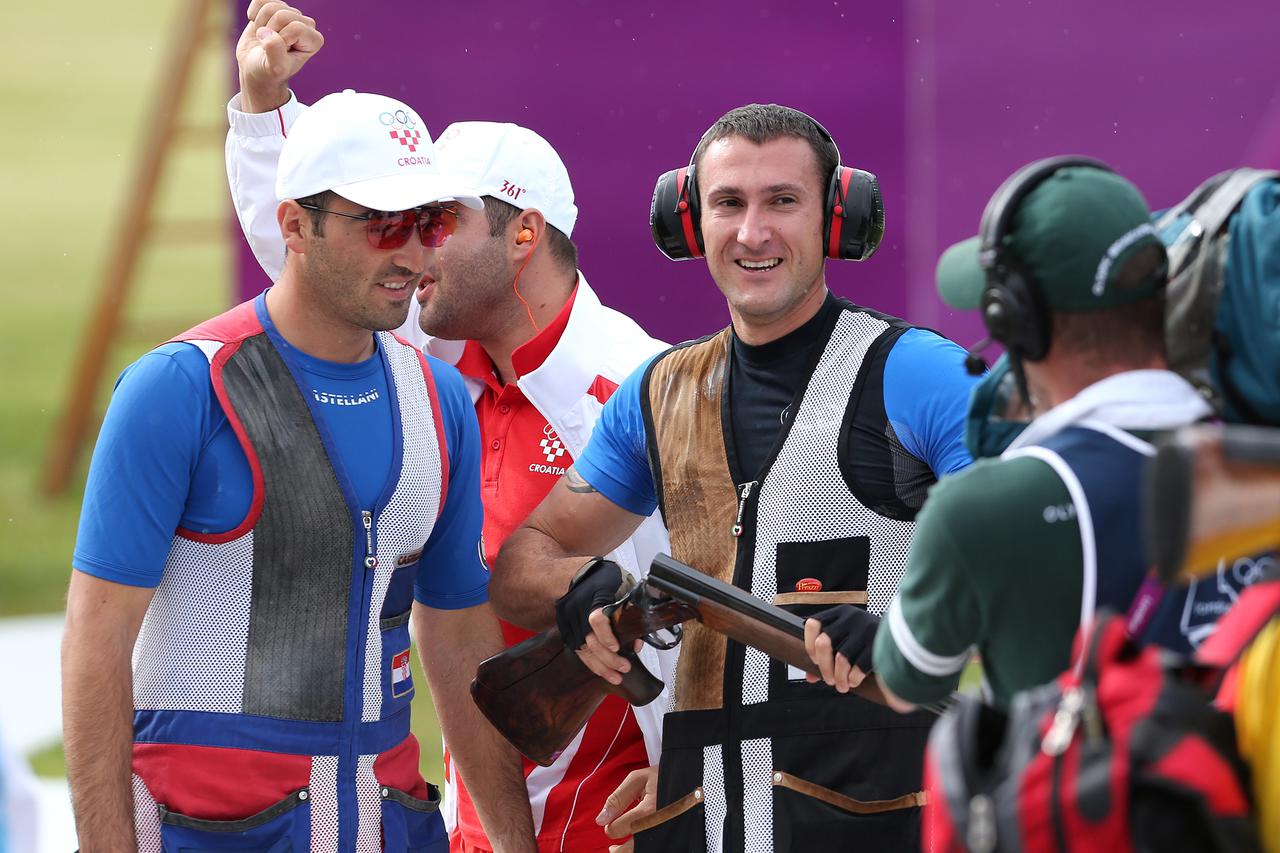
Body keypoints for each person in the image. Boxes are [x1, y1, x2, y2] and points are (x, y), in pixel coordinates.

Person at [226, 5, 671, 850]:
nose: (413, 250)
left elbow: (704, 604)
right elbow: (310, 260)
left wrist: (689, 767)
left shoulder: (638, 386)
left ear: (524, 236)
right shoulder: (432, 357)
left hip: (620, 828)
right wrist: (264, 108)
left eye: (437, 222)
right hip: (475, 823)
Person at [495, 104, 979, 852]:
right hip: (706, 820)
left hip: (885, 820)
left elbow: (1030, 546)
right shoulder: (657, 393)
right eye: (729, 203)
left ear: (836, 217)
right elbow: (527, 559)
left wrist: (907, 635)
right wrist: (586, 592)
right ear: (688, 222)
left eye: (782, 201)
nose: (753, 233)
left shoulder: (916, 371)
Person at [62, 87, 536, 851]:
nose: (411, 253)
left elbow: (457, 639)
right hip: (206, 831)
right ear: (294, 225)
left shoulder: (441, 398)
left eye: (429, 222)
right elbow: (96, 634)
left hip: (385, 823)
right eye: (382, 223)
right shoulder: (178, 389)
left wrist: (517, 845)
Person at [860, 157, 1256, 714]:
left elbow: (906, 682)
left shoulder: (982, 508)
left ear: (1015, 319)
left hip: (1093, 802)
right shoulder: (1259, 457)